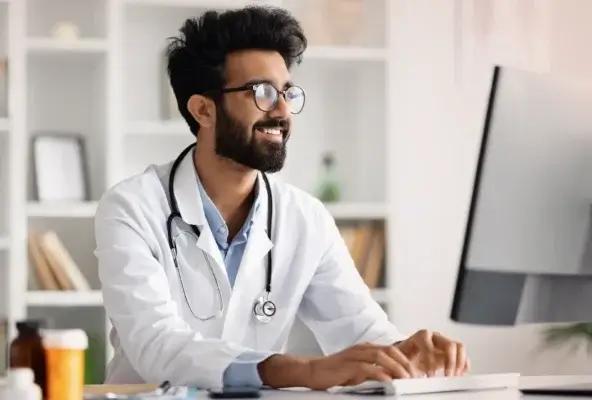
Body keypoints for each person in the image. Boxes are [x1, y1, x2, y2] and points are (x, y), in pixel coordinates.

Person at [94, 6, 469, 390]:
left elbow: (361, 332)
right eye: (263, 92)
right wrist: (304, 372)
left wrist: (404, 352)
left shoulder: (305, 218)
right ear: (204, 110)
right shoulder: (131, 208)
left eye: (287, 93)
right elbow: (156, 346)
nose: (284, 110)